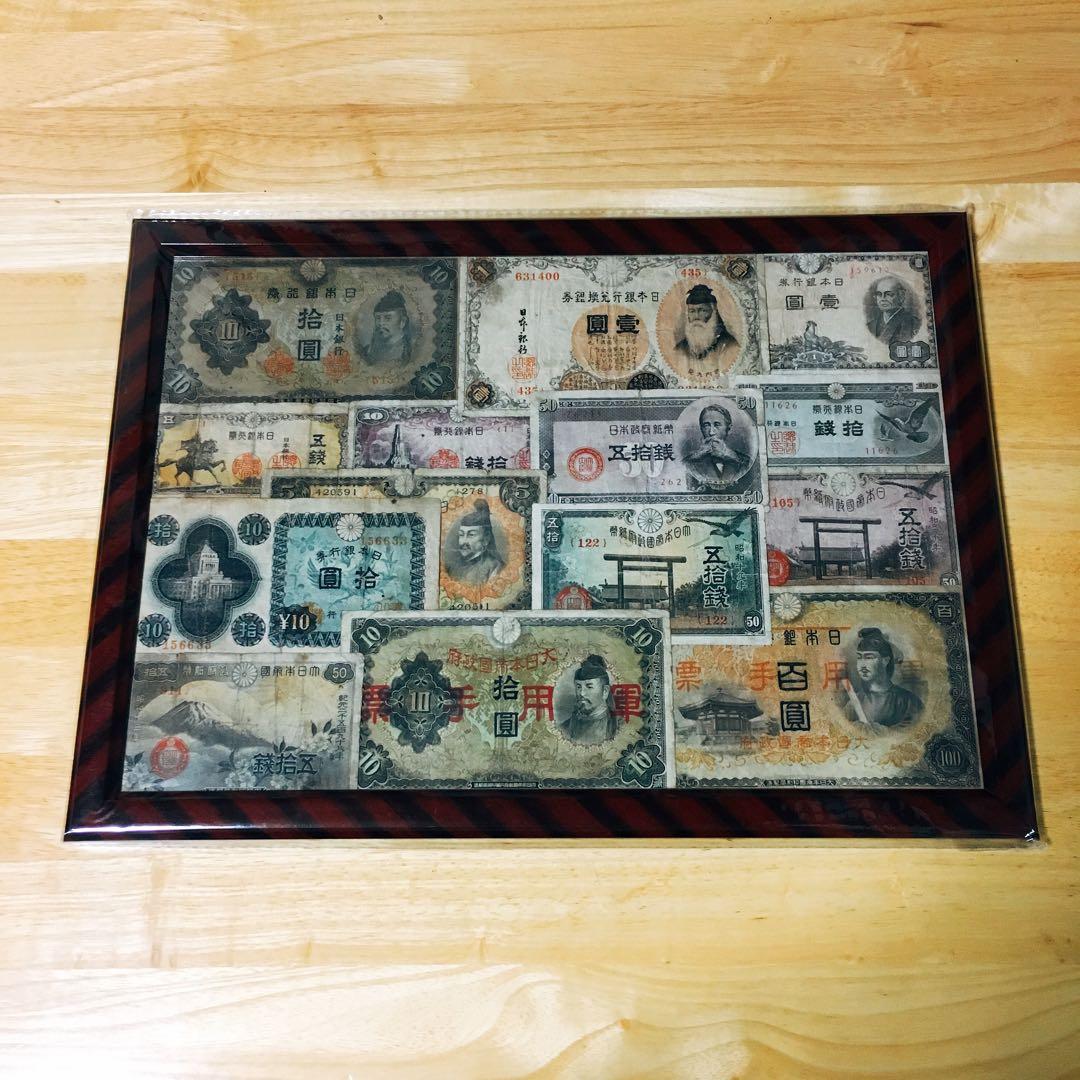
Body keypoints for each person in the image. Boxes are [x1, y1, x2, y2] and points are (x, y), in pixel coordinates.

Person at [846, 627, 923, 728]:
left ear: (885, 661)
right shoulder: (855, 701)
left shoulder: (908, 701)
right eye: (859, 657)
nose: (862, 665)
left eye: (869, 657)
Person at [685, 404, 751, 488]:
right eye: (706, 425)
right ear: (701, 429)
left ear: (728, 429)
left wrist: (727, 454)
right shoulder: (688, 463)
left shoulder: (746, 463)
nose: (711, 432)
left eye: (717, 425)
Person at [672, 283, 738, 366]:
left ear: (713, 312)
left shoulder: (729, 345)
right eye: (692, 311)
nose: (696, 317)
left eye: (702, 310)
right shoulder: (681, 348)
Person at [558, 654, 618, 744]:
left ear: (605, 691)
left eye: (589, 687)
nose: (582, 693)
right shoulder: (565, 727)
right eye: (579, 687)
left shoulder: (615, 727)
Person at [445, 499, 505, 586]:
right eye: (461, 534)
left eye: (471, 535)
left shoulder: (495, 567)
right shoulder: (453, 567)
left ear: (486, 539)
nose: (464, 541)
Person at [865, 276, 920, 346]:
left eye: (889, 294)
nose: (883, 299)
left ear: (901, 297)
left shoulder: (913, 323)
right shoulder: (871, 325)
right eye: (879, 294)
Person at [361, 289, 413, 363]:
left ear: (402, 322)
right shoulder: (365, 352)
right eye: (378, 318)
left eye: (388, 318)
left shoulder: (411, 353)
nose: (381, 323)